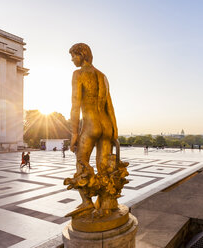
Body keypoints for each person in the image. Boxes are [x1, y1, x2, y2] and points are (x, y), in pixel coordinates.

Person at [69, 43, 118, 210]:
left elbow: (75, 105)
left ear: (82, 54)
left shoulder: (78, 74)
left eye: (74, 56)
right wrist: (115, 130)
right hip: (106, 125)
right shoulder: (102, 75)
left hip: (90, 125)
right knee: (105, 167)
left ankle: (87, 203)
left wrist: (74, 133)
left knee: (81, 163)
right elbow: (110, 106)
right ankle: (106, 203)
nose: (72, 59)